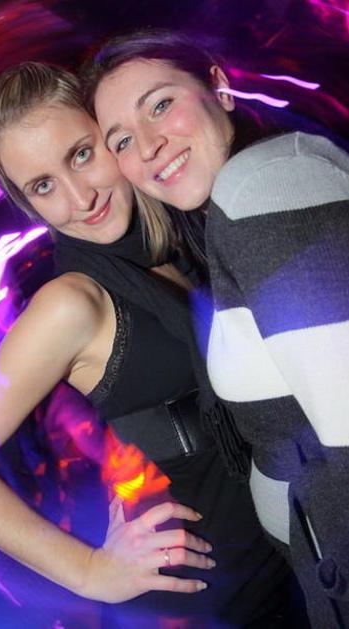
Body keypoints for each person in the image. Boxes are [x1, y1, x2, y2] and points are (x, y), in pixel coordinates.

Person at [0, 61, 295, 628]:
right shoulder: (70, 304)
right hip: (207, 601)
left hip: (284, 559)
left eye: (81, 154)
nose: (80, 197)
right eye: (43, 186)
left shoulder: (182, 236)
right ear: (28, 205)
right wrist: (90, 571)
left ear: (108, 132)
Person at [84, 28, 349, 629]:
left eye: (160, 105)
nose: (148, 145)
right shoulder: (228, 212)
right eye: (122, 139)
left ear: (219, 88)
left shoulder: (264, 188)